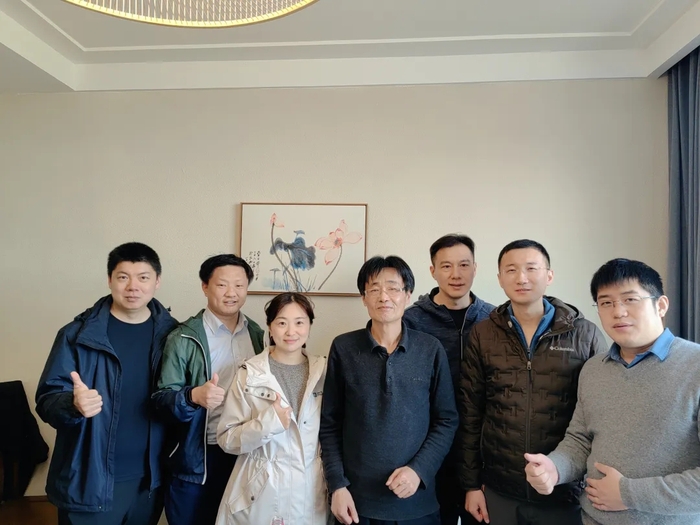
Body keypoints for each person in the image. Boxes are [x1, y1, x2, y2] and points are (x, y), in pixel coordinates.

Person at [525, 258, 700, 525]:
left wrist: (628, 493)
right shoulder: (594, 369)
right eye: (606, 303)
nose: (618, 312)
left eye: (630, 299)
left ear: (661, 305)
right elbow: (580, 440)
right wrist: (554, 468)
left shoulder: (694, 366)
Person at [459, 239, 607, 524]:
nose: (521, 278)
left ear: (549, 276)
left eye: (531, 268)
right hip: (500, 490)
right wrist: (471, 484)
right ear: (500, 278)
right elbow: (470, 413)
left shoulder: (584, 334)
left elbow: (603, 415)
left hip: (565, 491)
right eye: (511, 270)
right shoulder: (483, 334)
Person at [36, 242, 177, 525]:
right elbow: (47, 400)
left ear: (157, 281)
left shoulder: (173, 336)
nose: (133, 286)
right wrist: (72, 404)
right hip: (89, 480)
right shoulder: (77, 335)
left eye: (143, 277)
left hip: (149, 482)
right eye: (123, 277)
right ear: (110, 280)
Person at [320, 255, 458, 525]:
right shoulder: (343, 348)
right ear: (364, 298)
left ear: (407, 295)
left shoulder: (430, 349)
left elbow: (447, 420)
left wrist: (419, 470)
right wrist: (336, 485)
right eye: (374, 289)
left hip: (417, 503)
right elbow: (330, 423)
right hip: (356, 504)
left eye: (393, 288)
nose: (384, 297)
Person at [152, 254, 264, 525]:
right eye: (222, 285)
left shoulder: (257, 334)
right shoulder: (183, 337)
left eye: (239, 285)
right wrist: (193, 396)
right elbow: (161, 401)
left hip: (244, 453)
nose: (231, 293)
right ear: (205, 287)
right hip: (198, 457)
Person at [215, 292, 330, 525]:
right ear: (269, 326)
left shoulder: (325, 373)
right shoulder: (249, 374)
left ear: (309, 325)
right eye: (282, 323)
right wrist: (268, 424)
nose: (291, 332)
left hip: (312, 491)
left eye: (299, 322)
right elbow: (227, 438)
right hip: (262, 494)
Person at [403, 234, 495, 525]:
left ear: (475, 268)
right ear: (432, 271)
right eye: (446, 266)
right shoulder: (411, 322)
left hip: (483, 452)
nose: (456, 274)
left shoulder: (495, 320)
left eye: (464, 265)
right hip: (428, 451)